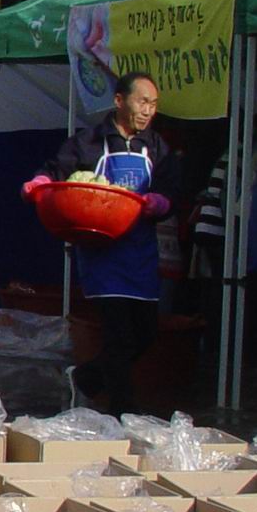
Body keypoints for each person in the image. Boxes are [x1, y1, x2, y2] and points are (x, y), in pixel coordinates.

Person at [26, 71, 177, 415]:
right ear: (120, 100)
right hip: (102, 253)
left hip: (141, 252)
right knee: (119, 338)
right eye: (142, 101)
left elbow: (170, 189)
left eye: (153, 104)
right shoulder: (89, 141)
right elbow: (55, 170)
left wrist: (161, 203)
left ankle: (86, 379)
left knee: (145, 335)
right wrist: (38, 183)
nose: (148, 110)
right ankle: (124, 414)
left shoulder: (155, 147)